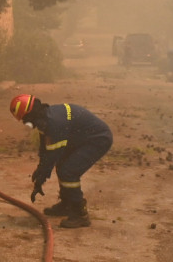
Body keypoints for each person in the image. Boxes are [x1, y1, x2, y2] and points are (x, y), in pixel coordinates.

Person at [8, 94, 113, 228]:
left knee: (68, 171)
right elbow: (45, 149)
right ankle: (67, 204)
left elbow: (52, 156)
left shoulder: (53, 124)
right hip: (82, 137)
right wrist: (40, 169)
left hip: (98, 139)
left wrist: (41, 178)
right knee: (63, 166)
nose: (25, 123)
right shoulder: (45, 117)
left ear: (30, 114)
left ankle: (80, 214)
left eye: (25, 119)